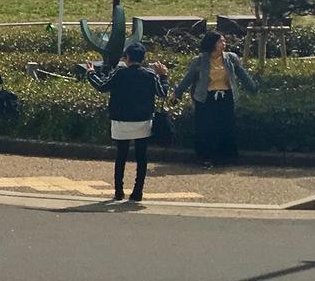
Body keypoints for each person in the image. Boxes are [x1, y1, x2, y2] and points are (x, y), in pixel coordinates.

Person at [90, 40, 168, 204]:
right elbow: (162, 93)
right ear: (142, 58)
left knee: (121, 156)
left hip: (121, 121)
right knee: (142, 157)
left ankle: (118, 191)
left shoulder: (119, 73)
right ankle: (137, 191)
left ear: (126, 57)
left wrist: (90, 73)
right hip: (143, 121)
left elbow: (102, 86)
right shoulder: (150, 75)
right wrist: (164, 76)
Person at [173, 29, 257, 165]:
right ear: (212, 43)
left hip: (226, 97)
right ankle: (206, 157)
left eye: (224, 41)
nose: (224, 43)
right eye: (220, 41)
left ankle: (225, 157)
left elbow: (242, 74)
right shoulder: (200, 61)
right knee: (206, 128)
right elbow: (188, 78)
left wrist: (253, 87)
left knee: (225, 127)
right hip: (207, 98)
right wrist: (178, 93)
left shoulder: (230, 58)